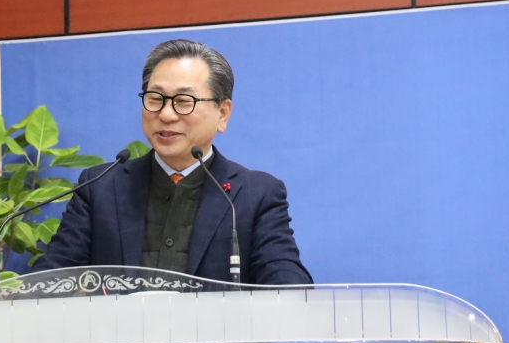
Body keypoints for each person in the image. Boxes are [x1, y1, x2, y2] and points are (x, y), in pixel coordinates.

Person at [33, 39, 312, 285]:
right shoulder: (100, 188)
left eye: (183, 100)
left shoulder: (256, 195)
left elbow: (288, 284)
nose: (166, 115)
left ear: (222, 114)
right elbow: (50, 280)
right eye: (155, 99)